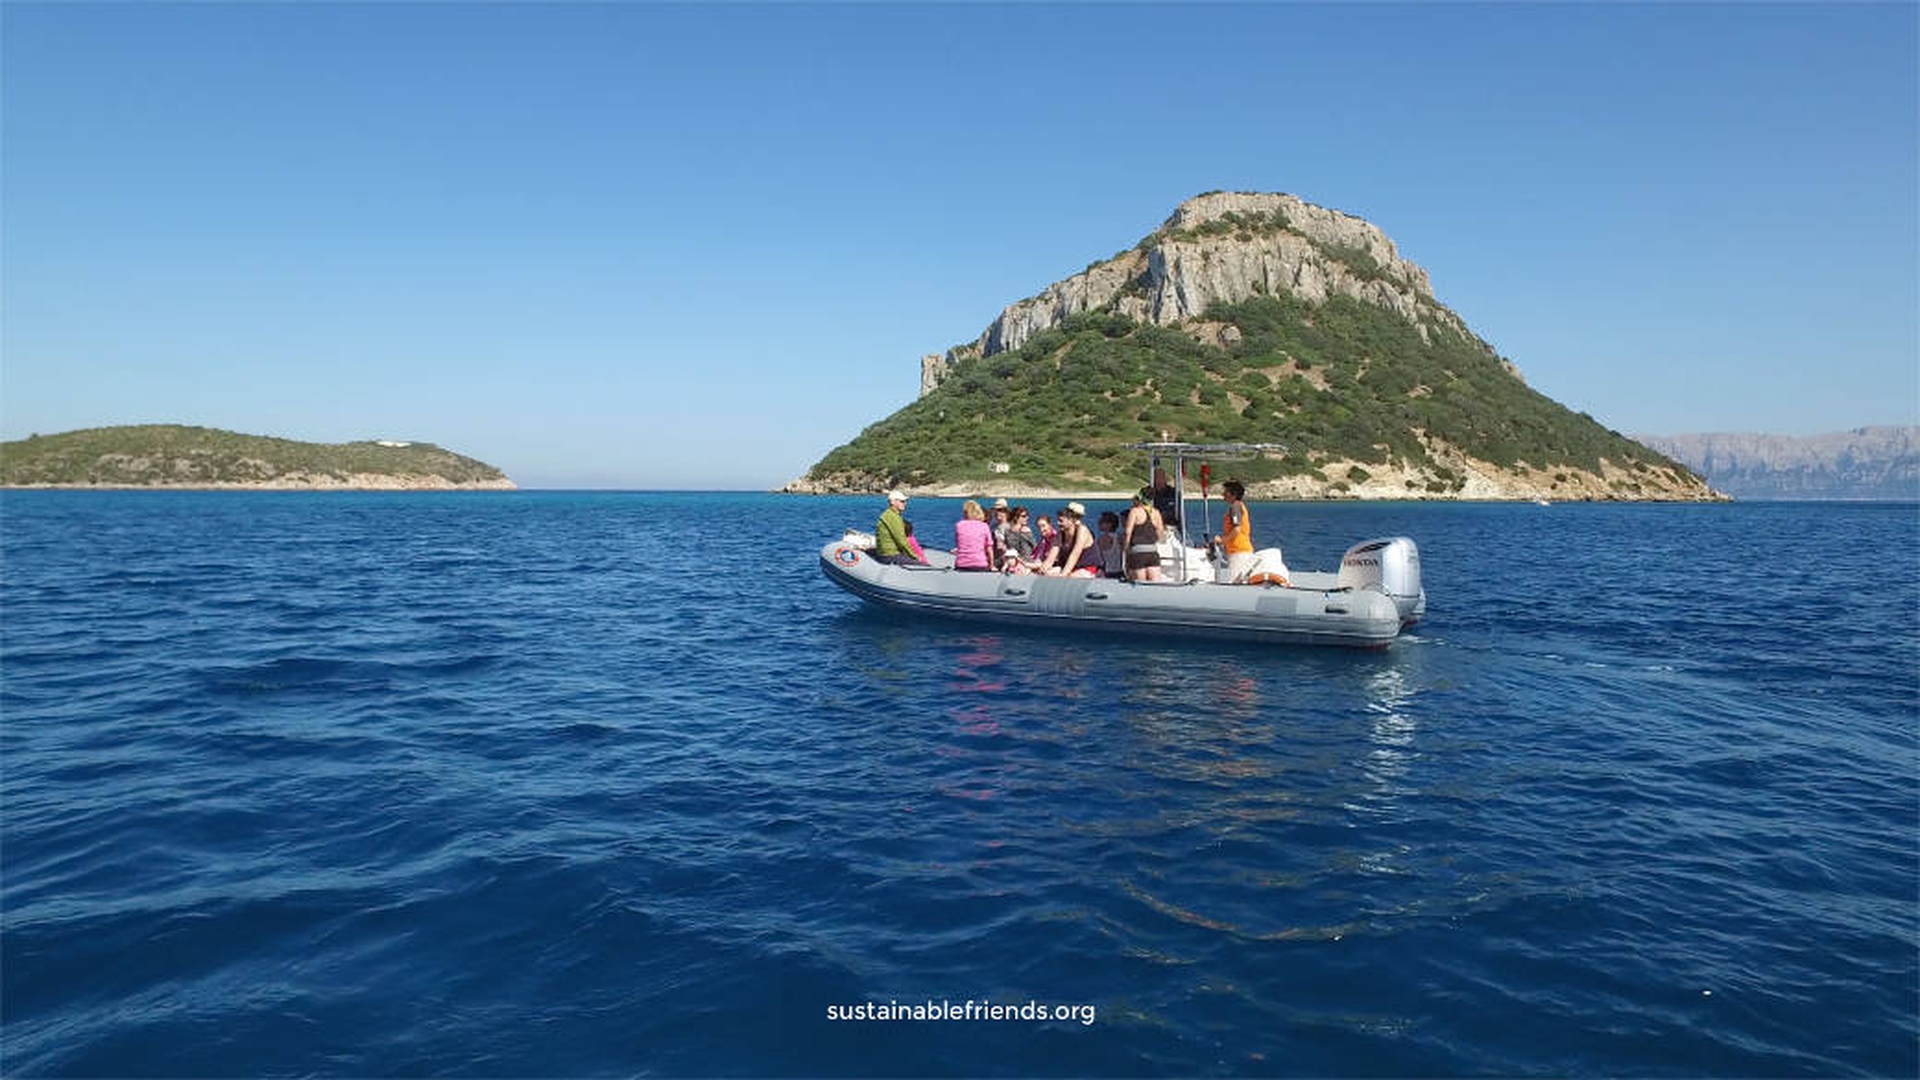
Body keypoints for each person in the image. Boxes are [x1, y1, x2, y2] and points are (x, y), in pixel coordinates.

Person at [1040, 502, 1101, 577]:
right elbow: (1051, 558)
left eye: (1061, 521)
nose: (1058, 523)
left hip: (1087, 568)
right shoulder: (1060, 534)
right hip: (1068, 567)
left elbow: (1075, 554)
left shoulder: (1082, 531)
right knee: (1048, 573)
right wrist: (1043, 569)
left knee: (1071, 577)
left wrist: (1063, 575)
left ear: (1071, 520)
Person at [1122, 487, 1166, 582]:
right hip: (1152, 552)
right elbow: (1161, 533)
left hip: (1137, 552)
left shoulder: (1135, 511)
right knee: (1155, 583)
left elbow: (1127, 532)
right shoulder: (1156, 512)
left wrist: (1125, 548)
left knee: (1140, 584)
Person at [1215, 479, 1255, 582]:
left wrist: (1222, 540)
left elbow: (1237, 529)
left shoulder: (1235, 507)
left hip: (1239, 552)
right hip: (1239, 551)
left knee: (1236, 583)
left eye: (1226, 492)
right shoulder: (1238, 506)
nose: (1223, 494)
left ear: (1234, 494)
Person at [873, 489, 920, 565]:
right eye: (902, 501)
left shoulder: (888, 514)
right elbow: (902, 541)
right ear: (892, 502)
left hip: (886, 554)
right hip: (890, 556)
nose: (905, 503)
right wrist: (914, 556)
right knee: (924, 565)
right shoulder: (893, 517)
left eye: (905, 501)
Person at [953, 499, 995, 572]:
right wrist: (991, 565)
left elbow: (959, 545)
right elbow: (989, 549)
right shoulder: (984, 526)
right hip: (980, 564)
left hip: (961, 564)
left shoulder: (959, 525)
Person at [1001, 506, 1037, 572]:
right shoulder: (1025, 531)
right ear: (1016, 517)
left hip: (1019, 563)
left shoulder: (1008, 531)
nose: (1027, 518)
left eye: (1027, 516)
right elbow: (1035, 547)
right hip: (1021, 563)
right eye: (1024, 516)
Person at [1150, 464, 1181, 535]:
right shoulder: (1147, 492)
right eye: (1157, 477)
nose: (1159, 480)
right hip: (1152, 528)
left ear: (1165, 478)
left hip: (1170, 526)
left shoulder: (1173, 493)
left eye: (1161, 477)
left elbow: (1178, 511)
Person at [1095, 510, 1125, 578]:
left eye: (1101, 522)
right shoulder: (1120, 537)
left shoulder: (1103, 538)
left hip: (1107, 572)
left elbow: (1098, 557)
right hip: (1120, 571)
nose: (1098, 524)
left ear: (1109, 524)